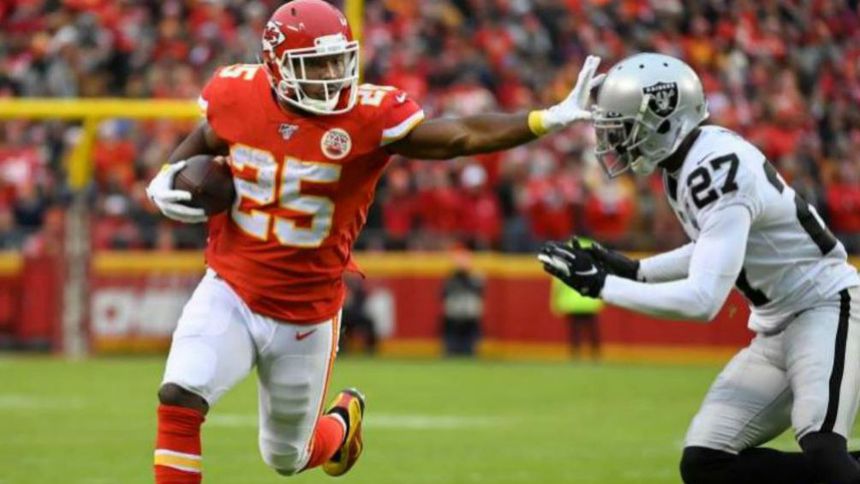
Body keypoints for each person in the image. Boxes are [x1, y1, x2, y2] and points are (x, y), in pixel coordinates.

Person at [144, 1, 603, 481]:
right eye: (315, 64)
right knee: (180, 395)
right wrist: (166, 175)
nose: (331, 75)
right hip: (231, 289)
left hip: (307, 311)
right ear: (276, 65)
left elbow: (461, 136)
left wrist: (544, 119)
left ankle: (342, 423)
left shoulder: (367, 117)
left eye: (336, 61)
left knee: (287, 457)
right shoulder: (236, 94)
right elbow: (208, 135)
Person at [539, 52, 860, 484]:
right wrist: (635, 270)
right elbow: (714, 246)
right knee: (706, 463)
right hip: (776, 325)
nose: (615, 141)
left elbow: (703, 300)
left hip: (825, 306)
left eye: (624, 127)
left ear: (663, 120)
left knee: (824, 452)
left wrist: (603, 286)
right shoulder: (689, 162)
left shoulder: (712, 169)